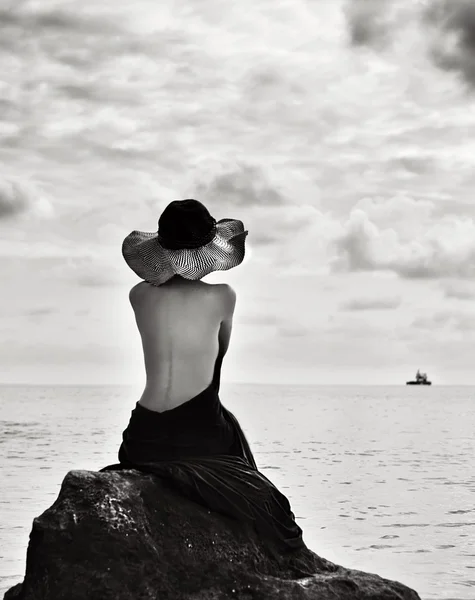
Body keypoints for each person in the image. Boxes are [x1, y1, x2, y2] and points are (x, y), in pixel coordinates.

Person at [101, 199, 306, 555]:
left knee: (225, 422)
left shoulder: (138, 295)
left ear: (161, 249)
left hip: (143, 434)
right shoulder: (223, 296)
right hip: (197, 432)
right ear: (208, 250)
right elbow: (217, 362)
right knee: (268, 502)